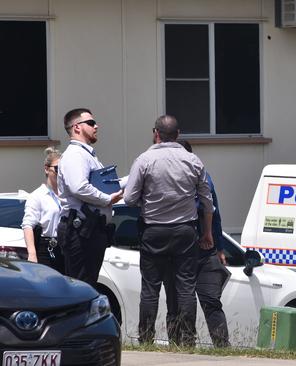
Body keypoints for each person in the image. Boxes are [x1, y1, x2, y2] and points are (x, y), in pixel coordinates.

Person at [123, 115, 213, 347]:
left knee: (150, 288)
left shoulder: (144, 160)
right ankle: (186, 340)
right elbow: (207, 201)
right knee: (185, 287)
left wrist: (149, 199)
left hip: (153, 230)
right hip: (185, 230)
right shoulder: (192, 160)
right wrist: (208, 233)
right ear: (178, 134)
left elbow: (129, 198)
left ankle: (146, 339)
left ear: (156, 133)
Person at [165, 139, 230, 347]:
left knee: (211, 300)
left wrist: (219, 248)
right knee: (176, 304)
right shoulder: (165, 180)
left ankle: (222, 346)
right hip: (175, 251)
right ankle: (182, 346)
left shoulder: (203, 178)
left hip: (205, 251)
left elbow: (214, 213)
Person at [56, 108, 123, 287]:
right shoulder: (75, 154)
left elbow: (103, 184)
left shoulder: (86, 154)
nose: (96, 126)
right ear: (77, 127)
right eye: (91, 123)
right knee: (81, 287)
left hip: (91, 231)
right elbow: (79, 187)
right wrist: (107, 199)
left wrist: (131, 180)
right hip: (81, 231)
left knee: (87, 285)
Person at [21, 147, 65, 273]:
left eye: (63, 170)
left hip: (66, 248)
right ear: (46, 169)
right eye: (57, 169)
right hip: (47, 249)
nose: (61, 173)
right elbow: (28, 225)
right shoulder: (38, 196)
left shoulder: (67, 195)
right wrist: (32, 253)